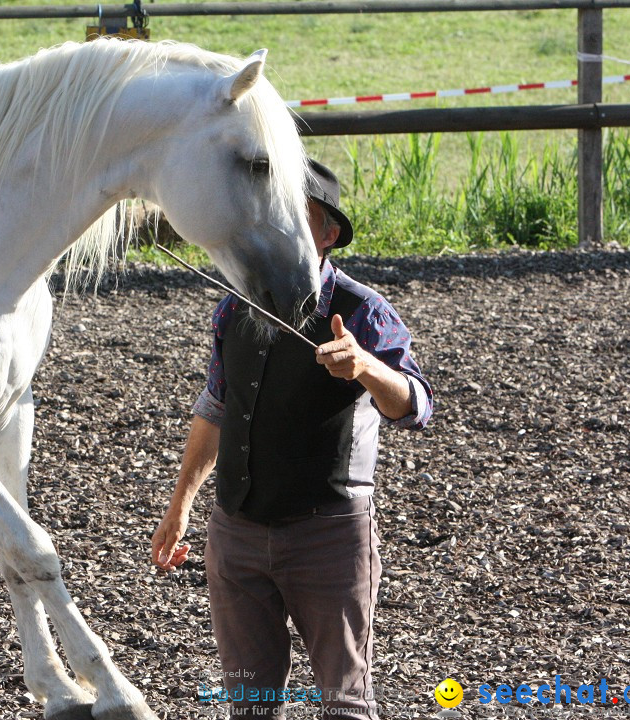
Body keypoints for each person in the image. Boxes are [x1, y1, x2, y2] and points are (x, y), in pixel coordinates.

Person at [151, 159, 433, 719]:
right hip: (235, 533)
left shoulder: (363, 310)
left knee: (345, 704)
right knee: (250, 706)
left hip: (328, 536)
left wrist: (366, 367)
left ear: (328, 234)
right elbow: (216, 406)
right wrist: (180, 504)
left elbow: (417, 406)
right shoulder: (232, 307)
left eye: (294, 216)